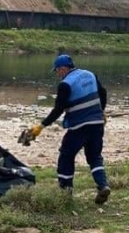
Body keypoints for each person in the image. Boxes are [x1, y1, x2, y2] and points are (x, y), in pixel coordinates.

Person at [27, 53, 111, 204]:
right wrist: (101, 111)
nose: (58, 74)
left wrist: (42, 125)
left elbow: (58, 109)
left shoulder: (65, 84)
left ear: (63, 68)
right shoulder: (90, 74)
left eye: (57, 71)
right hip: (97, 123)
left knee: (66, 155)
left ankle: (65, 193)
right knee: (94, 157)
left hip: (79, 126)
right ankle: (103, 185)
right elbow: (103, 93)